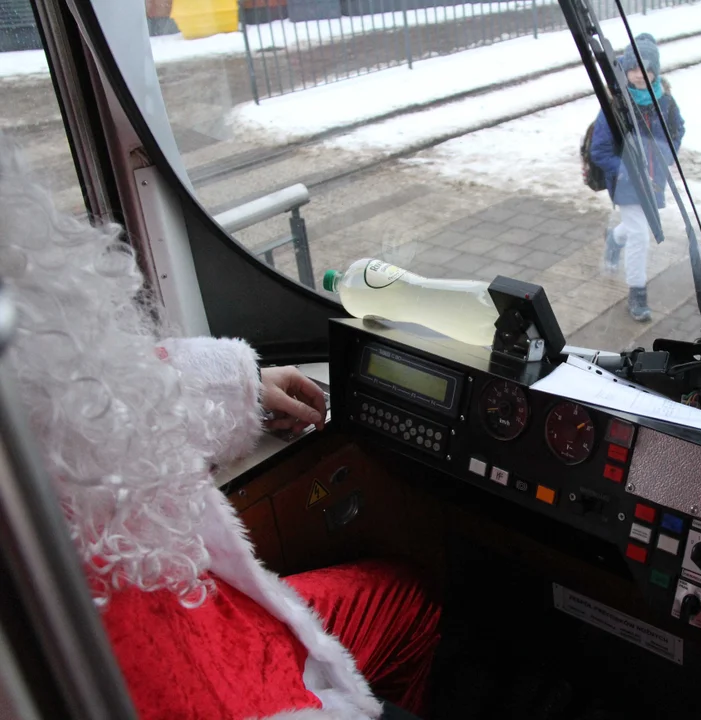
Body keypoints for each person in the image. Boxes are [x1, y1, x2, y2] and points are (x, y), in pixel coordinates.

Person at [0, 134, 439, 720]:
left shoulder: (24, 402)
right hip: (222, 687)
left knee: (400, 591)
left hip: (206, 625)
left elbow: (70, 394)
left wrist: (238, 386)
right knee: (411, 602)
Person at [589, 33, 685, 322]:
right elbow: (600, 149)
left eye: (646, 69)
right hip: (626, 183)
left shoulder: (665, 102)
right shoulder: (615, 105)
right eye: (633, 69)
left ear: (655, 71)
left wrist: (664, 156)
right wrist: (628, 169)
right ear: (624, 70)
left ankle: (614, 240)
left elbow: (677, 132)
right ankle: (637, 294)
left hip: (654, 180)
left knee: (633, 229)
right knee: (641, 235)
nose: (639, 75)